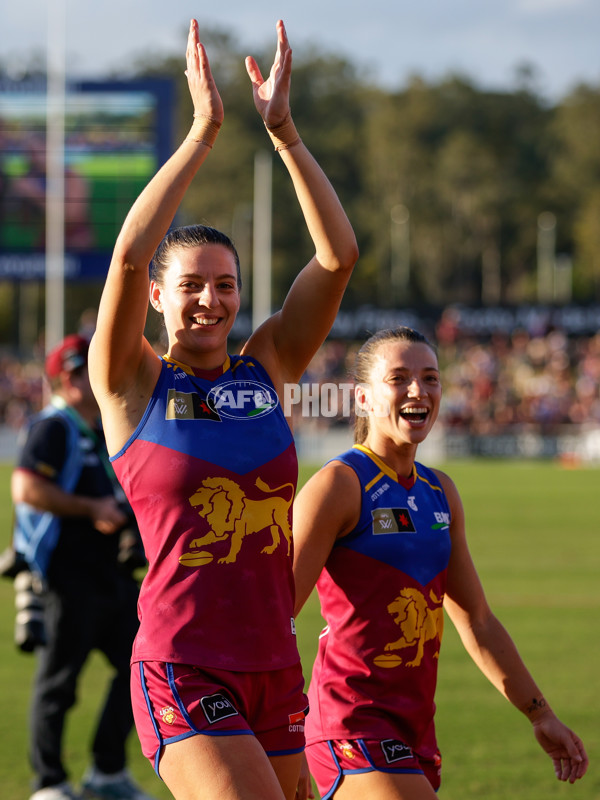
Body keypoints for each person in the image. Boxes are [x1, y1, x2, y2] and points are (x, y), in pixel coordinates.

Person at [88, 17, 357, 800]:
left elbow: (337, 258)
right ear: (161, 300)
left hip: (275, 664)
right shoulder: (131, 383)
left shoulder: (266, 368)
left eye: (226, 285)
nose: (211, 300)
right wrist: (203, 134)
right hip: (182, 663)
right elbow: (130, 255)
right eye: (193, 286)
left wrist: (285, 134)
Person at [292, 327, 588, 800]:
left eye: (430, 378)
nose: (418, 390)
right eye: (399, 378)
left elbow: (477, 621)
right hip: (348, 727)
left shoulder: (439, 491)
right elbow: (275, 615)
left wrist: (539, 713)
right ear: (363, 397)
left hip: (414, 733)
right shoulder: (339, 486)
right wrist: (280, 735)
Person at [11, 334, 153, 800]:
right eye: (73, 373)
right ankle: (49, 782)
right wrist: (90, 508)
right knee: (58, 683)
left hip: (111, 576)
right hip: (67, 578)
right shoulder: (54, 426)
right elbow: (26, 488)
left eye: (85, 369)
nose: (82, 381)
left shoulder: (101, 427)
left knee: (142, 668)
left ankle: (107, 770)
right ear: (59, 378)